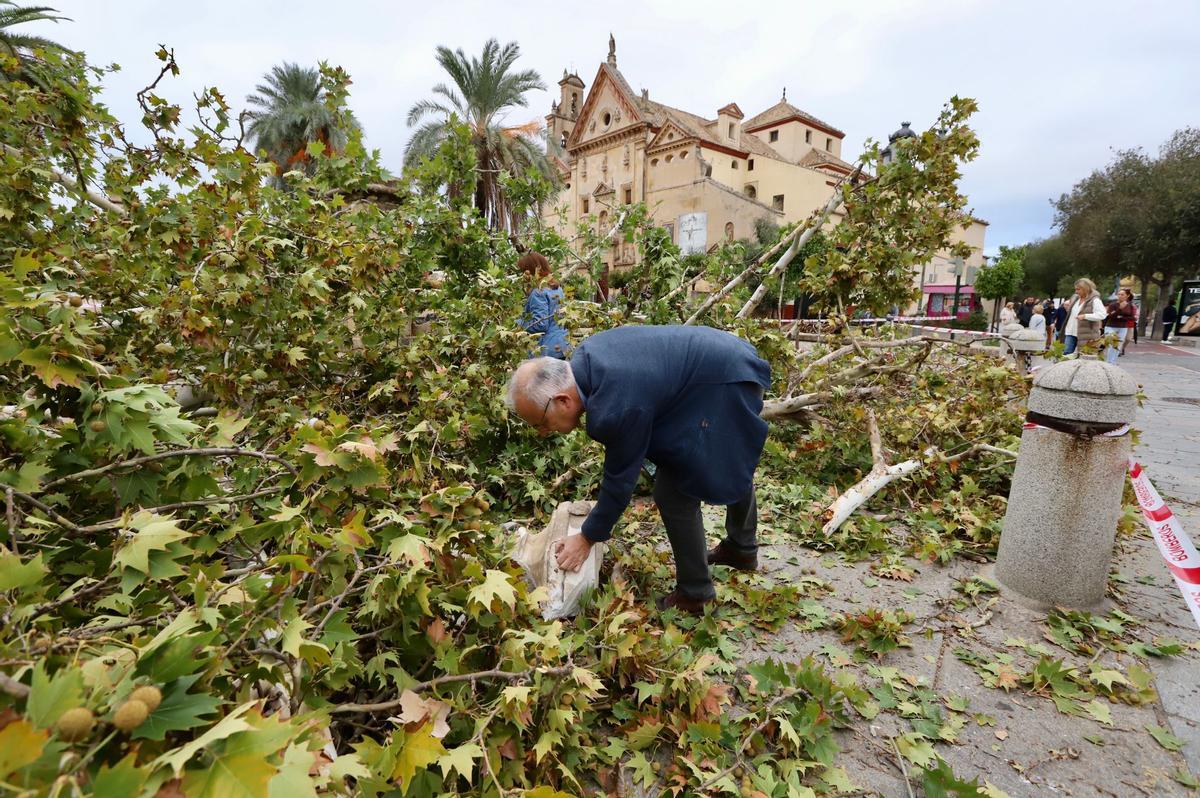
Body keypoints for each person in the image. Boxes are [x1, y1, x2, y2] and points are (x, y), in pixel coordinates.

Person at [505, 326, 771, 615]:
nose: (543, 433)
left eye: (541, 423)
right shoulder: (586, 359)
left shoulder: (613, 406)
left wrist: (587, 537)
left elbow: (620, 480)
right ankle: (741, 549)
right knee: (729, 459)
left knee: (675, 492)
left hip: (726, 379)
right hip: (717, 366)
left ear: (563, 400)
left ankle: (696, 595)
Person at [518, 252, 571, 359]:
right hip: (562, 345)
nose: (524, 276)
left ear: (533, 271)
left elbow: (540, 324)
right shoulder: (556, 288)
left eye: (525, 272)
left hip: (546, 350)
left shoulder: (538, 292)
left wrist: (519, 324)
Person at [1062, 278, 1107, 356]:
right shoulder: (1075, 299)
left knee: (1085, 356)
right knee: (1066, 355)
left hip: (1086, 334)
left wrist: (1086, 316)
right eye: (1075, 289)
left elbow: (1102, 314)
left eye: (1078, 289)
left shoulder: (1095, 300)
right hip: (1070, 331)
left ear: (1085, 289)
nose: (1076, 291)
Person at [1103, 287, 1136, 363]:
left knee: (1118, 345)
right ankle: (1109, 362)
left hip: (1123, 327)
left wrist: (1120, 317)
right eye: (1119, 294)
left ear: (1127, 296)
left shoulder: (1130, 305)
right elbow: (1111, 316)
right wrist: (1120, 309)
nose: (1120, 296)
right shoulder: (1113, 305)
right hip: (1111, 326)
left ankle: (1113, 362)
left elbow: (1132, 317)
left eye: (1122, 294)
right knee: (1112, 344)